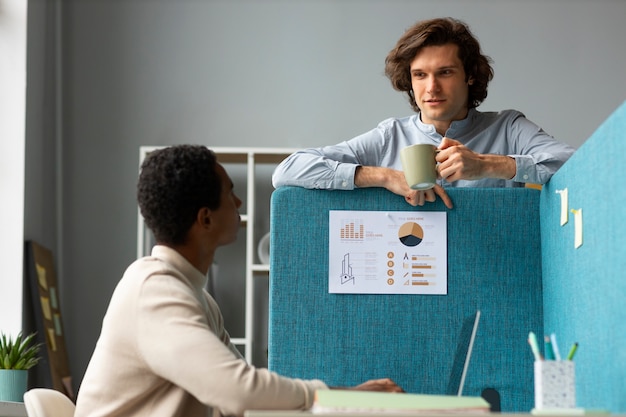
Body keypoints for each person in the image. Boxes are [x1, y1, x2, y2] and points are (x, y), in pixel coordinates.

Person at [74, 145, 402, 417]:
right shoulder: (155, 292)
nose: (239, 204)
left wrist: (343, 397)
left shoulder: (192, 295)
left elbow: (245, 393)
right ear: (205, 218)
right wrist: (333, 396)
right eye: (231, 193)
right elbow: (239, 393)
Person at [272, 17, 575, 209]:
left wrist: (486, 165)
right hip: (411, 289)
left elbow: (573, 165)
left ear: (469, 75)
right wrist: (383, 176)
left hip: (496, 278)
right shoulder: (389, 137)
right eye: (420, 75)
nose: (431, 87)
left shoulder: (507, 128)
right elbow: (288, 171)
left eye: (444, 72)